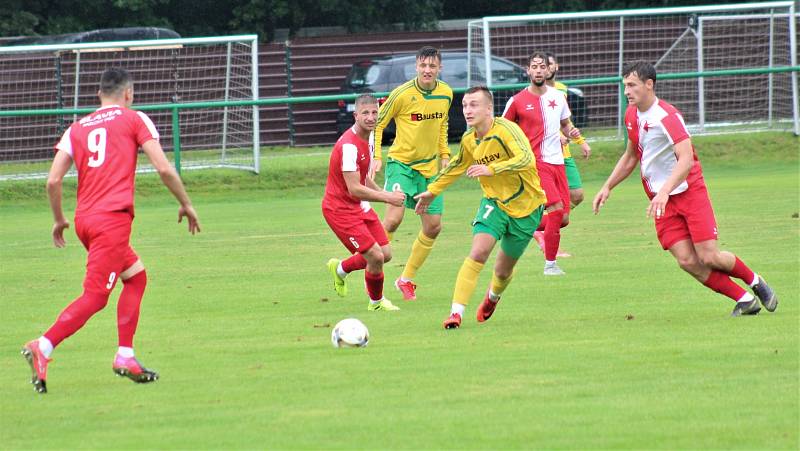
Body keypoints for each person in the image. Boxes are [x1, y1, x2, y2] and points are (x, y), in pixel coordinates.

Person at [21, 68, 201, 394]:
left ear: (98, 94)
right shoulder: (134, 119)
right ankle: (43, 346)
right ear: (128, 94)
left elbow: (53, 180)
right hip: (112, 222)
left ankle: (126, 355)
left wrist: (59, 219)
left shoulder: (76, 128)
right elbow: (163, 167)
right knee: (95, 297)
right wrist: (186, 203)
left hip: (84, 222)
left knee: (136, 277)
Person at [592, 61, 778, 317]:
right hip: (661, 199)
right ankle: (744, 299)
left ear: (649, 84)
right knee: (687, 261)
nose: (627, 91)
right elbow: (631, 156)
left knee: (709, 256)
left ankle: (756, 281)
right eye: (625, 86)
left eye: (632, 85)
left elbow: (686, 158)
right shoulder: (631, 115)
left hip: (688, 192)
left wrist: (665, 190)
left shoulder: (667, 117)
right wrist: (607, 186)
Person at [414, 86, 546, 329]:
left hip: (527, 207)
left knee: (503, 271)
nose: (467, 110)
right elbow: (454, 167)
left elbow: (526, 158)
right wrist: (432, 191)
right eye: (464, 105)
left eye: (474, 104)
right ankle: (456, 313)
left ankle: (493, 297)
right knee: (478, 252)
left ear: (489, 108)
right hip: (493, 203)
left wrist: (491, 168)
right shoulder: (469, 140)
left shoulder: (507, 130)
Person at [371, 46, 453, 300]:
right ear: (417, 66)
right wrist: (376, 157)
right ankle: (371, 269)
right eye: (423, 65)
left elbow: (442, 125)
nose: (427, 70)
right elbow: (378, 123)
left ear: (439, 68)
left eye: (432, 66)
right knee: (394, 219)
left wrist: (444, 154)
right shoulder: (402, 94)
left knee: (433, 227)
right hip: (402, 165)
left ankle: (405, 279)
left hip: (429, 170)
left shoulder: (446, 93)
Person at [324, 94, 406, 312]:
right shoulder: (349, 146)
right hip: (340, 210)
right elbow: (354, 188)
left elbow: (362, 177)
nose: (370, 117)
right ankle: (376, 303)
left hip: (358, 206)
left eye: (374, 113)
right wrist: (388, 197)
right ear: (355, 115)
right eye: (365, 113)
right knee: (375, 256)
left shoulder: (368, 137)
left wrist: (382, 191)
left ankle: (340, 268)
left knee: (385, 255)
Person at [503, 51, 581, 276]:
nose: (538, 70)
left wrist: (571, 132)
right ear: (528, 70)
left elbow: (565, 124)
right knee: (556, 210)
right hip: (535, 164)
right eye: (534, 66)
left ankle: (512, 222)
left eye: (542, 66)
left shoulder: (558, 96)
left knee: (563, 218)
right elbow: (503, 130)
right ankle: (550, 265)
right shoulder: (517, 101)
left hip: (559, 163)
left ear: (548, 70)